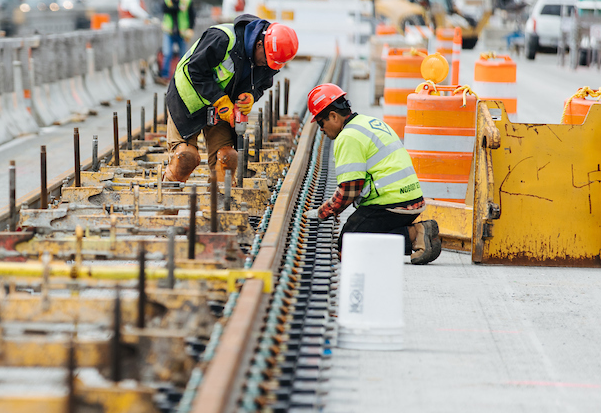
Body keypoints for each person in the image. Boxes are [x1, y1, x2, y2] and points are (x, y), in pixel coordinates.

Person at [305, 83, 442, 264]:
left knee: (349, 245)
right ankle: (415, 232)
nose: (321, 129)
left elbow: (349, 189)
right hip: (411, 199)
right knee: (364, 232)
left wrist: (324, 211)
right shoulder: (368, 122)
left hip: (391, 203)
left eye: (321, 123)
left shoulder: (348, 136)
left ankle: (415, 235)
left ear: (333, 116)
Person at [163, 15, 299, 185]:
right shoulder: (222, 39)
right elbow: (195, 70)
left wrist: (251, 95)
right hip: (188, 102)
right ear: (259, 45)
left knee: (227, 160)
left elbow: (262, 84)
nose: (267, 66)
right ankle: (166, 209)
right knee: (185, 158)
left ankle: (216, 207)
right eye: (266, 61)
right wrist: (219, 100)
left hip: (222, 109)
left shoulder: (268, 60)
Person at [160, 0, 192, 80]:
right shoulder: (167, 0)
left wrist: (190, 28)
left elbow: (192, 16)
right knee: (167, 54)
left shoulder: (186, 0)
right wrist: (178, 7)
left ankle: (182, 77)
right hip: (169, 32)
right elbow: (166, 10)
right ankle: (165, 76)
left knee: (183, 56)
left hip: (182, 33)